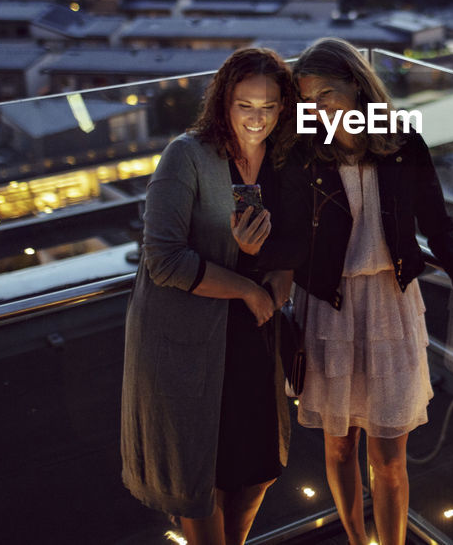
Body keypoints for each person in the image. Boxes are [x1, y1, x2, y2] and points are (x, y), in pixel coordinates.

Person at [291, 37, 453, 545]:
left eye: (326, 94)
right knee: (337, 449)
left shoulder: (400, 142)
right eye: (307, 101)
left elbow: (438, 225)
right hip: (327, 306)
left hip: (389, 306)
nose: (317, 109)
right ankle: (357, 540)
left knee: (389, 457)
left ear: (357, 84)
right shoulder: (303, 150)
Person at [121, 47, 305, 544]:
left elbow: (289, 246)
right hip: (192, 340)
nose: (257, 119)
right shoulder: (187, 155)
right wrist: (246, 284)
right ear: (223, 101)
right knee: (200, 476)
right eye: (246, 105)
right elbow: (162, 259)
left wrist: (276, 277)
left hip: (254, 338)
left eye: (268, 107)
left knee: (258, 468)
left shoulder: (284, 159)